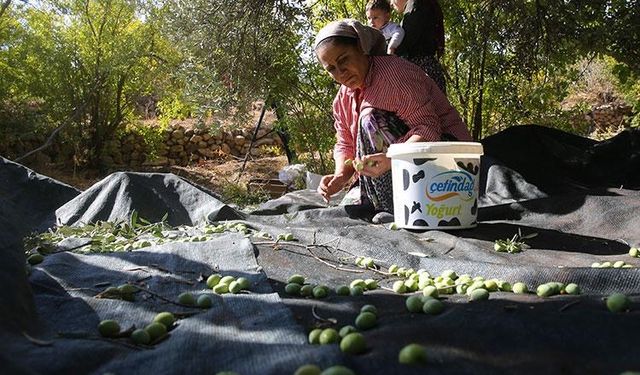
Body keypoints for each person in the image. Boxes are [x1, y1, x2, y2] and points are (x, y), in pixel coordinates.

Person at [314, 19, 471, 213]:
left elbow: (428, 129)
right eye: (331, 69)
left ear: (362, 48)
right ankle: (376, 199)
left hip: (450, 163)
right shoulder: (342, 100)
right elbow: (345, 143)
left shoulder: (395, 75)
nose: (340, 73)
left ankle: (390, 207)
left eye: (343, 59)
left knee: (370, 119)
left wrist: (391, 159)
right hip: (402, 168)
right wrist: (340, 176)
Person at [392, 0, 447, 94]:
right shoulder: (420, 5)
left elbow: (405, 43)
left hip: (421, 71)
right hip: (428, 69)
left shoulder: (416, 6)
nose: (391, 3)